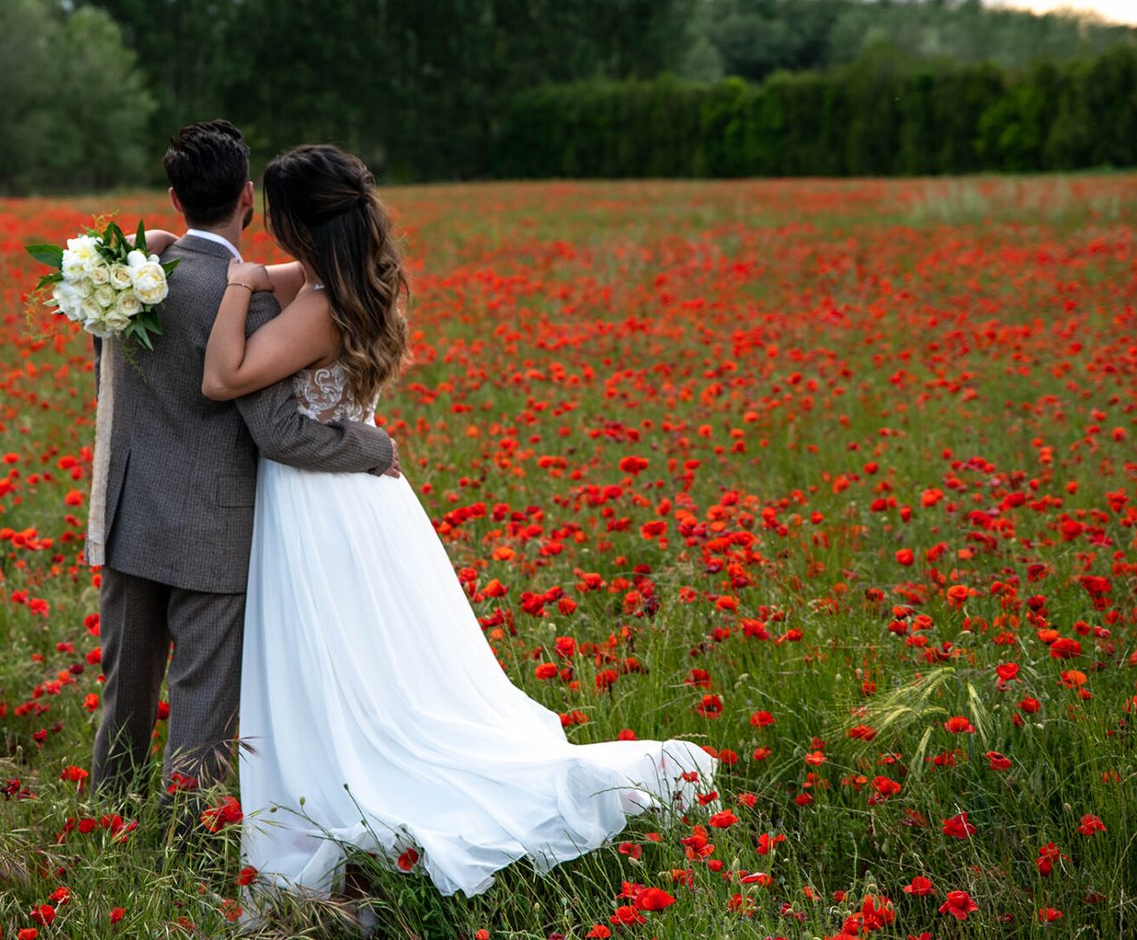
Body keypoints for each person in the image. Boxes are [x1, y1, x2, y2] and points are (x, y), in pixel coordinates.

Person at [198, 143, 719, 900]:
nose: (266, 231)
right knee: (368, 663)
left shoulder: (318, 308)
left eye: (275, 217)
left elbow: (223, 376)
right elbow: (269, 279)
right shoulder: (346, 279)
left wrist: (236, 284)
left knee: (333, 667)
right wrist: (211, 261)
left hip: (318, 504)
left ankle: (350, 796)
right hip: (362, 500)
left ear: (299, 223)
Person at [88, 122, 399, 815]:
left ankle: (107, 821)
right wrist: (374, 446)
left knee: (124, 696)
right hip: (214, 526)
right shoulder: (252, 300)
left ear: (174, 198)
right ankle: (181, 842)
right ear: (249, 198)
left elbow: (107, 377)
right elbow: (277, 429)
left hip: (130, 511)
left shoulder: (121, 278)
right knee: (201, 708)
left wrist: (153, 247)